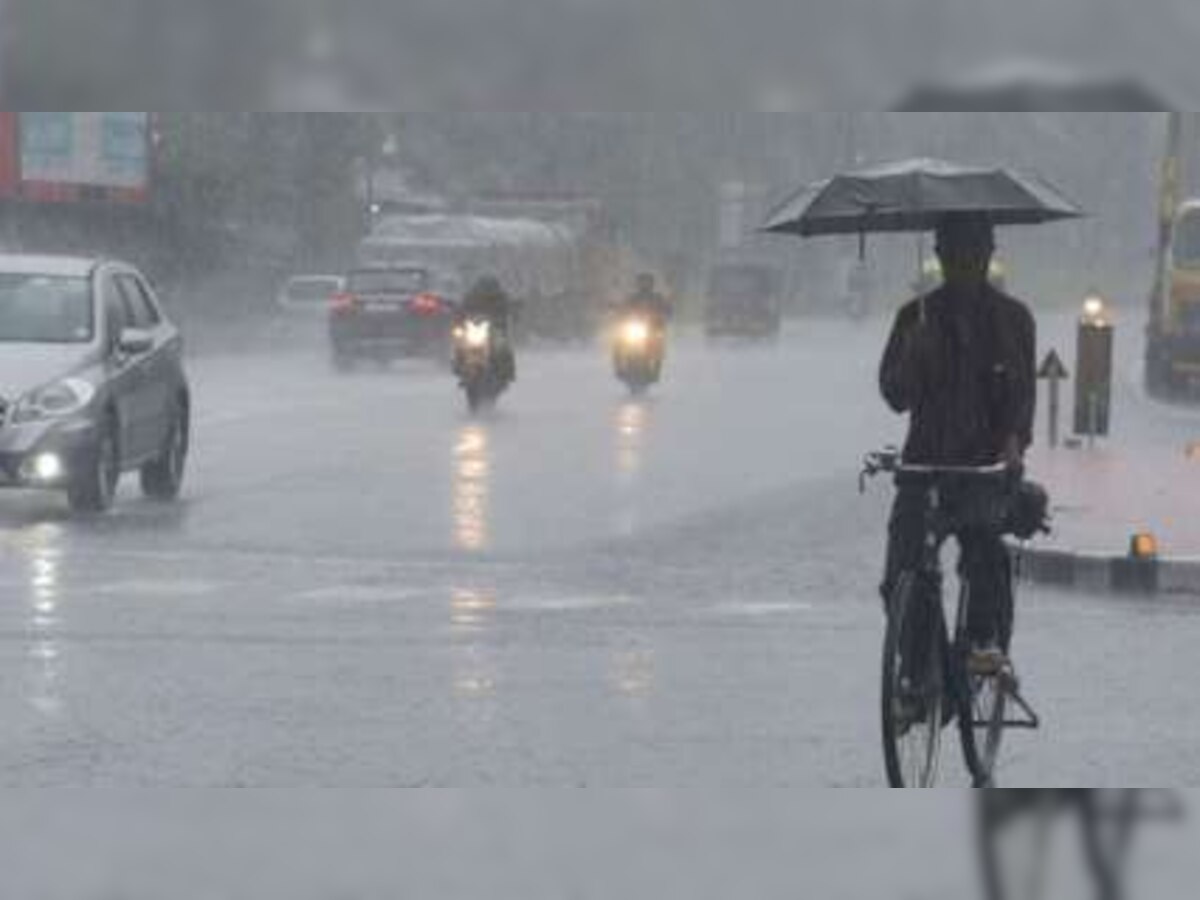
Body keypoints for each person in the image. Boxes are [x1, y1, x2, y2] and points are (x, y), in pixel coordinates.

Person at [879, 215, 1036, 675]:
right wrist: (914, 353)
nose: (963, 266)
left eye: (973, 255)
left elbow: (1022, 399)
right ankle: (922, 669)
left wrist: (1011, 446)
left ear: (989, 256)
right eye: (953, 256)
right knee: (902, 574)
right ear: (939, 257)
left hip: (984, 469)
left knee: (986, 554)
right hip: (924, 467)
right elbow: (894, 394)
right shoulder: (914, 317)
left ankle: (984, 643)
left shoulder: (1013, 320)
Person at [459, 275, 516, 382]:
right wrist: (460, 317)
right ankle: (460, 365)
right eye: (484, 288)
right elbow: (462, 308)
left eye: (489, 288)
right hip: (476, 327)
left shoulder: (501, 297)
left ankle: (506, 370)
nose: (486, 291)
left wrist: (505, 316)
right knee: (460, 342)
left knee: (502, 346)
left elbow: (508, 309)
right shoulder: (471, 297)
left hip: (494, 329)